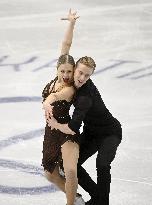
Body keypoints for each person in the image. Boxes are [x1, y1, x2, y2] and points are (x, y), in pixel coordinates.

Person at [46, 56, 122, 205]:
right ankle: (97, 197)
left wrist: (56, 125)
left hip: (109, 133)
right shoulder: (71, 80)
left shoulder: (85, 97)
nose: (82, 78)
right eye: (80, 73)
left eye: (87, 75)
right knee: (69, 164)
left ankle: (102, 202)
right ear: (74, 69)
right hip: (91, 133)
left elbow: (72, 128)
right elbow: (65, 53)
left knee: (102, 164)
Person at [41, 9, 85, 205]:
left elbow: (56, 96)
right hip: (51, 132)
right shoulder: (60, 71)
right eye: (63, 71)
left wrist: (47, 101)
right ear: (57, 69)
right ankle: (75, 198)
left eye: (70, 71)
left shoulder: (70, 88)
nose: (67, 75)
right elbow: (66, 45)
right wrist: (71, 24)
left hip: (67, 131)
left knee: (71, 170)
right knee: (50, 176)